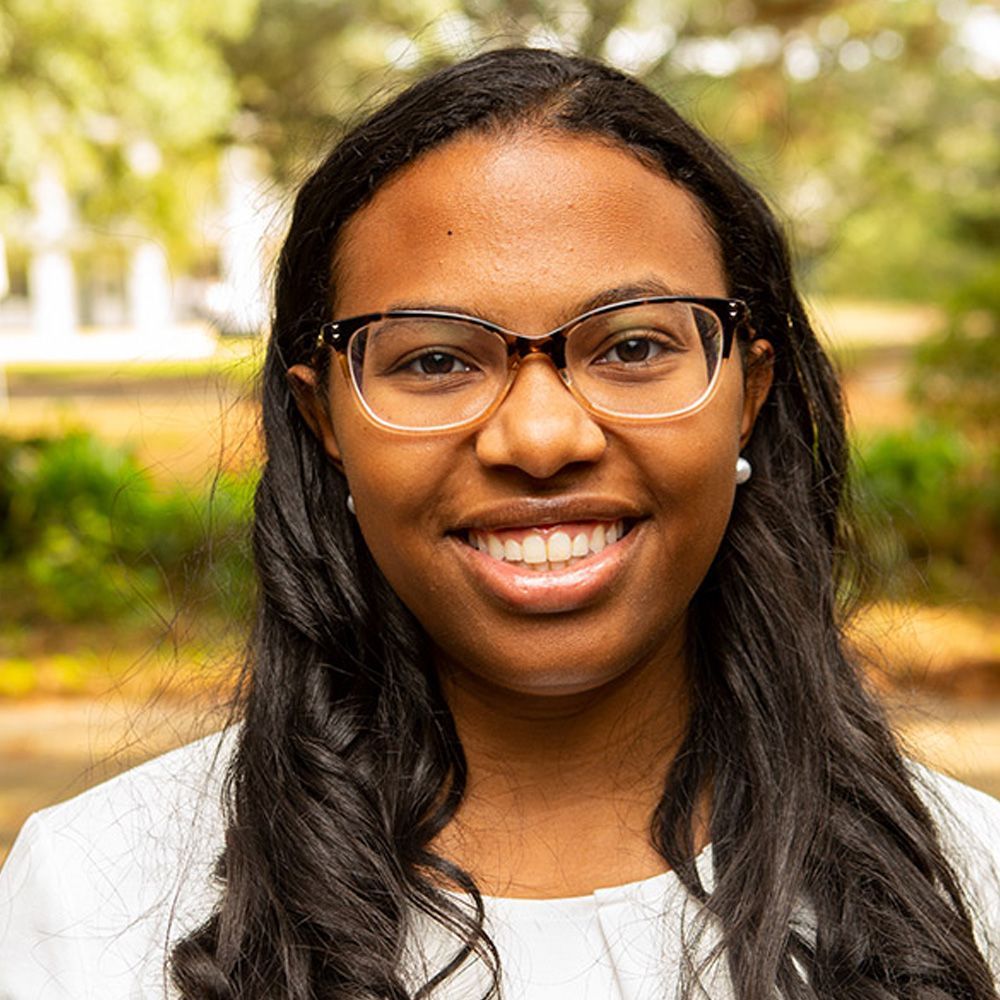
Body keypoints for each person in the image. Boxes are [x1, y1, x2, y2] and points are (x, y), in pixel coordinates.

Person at [0, 46, 997, 1000]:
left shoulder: (976, 893)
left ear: (749, 390)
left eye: (635, 344)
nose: (539, 435)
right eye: (434, 359)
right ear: (325, 421)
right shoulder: (96, 902)